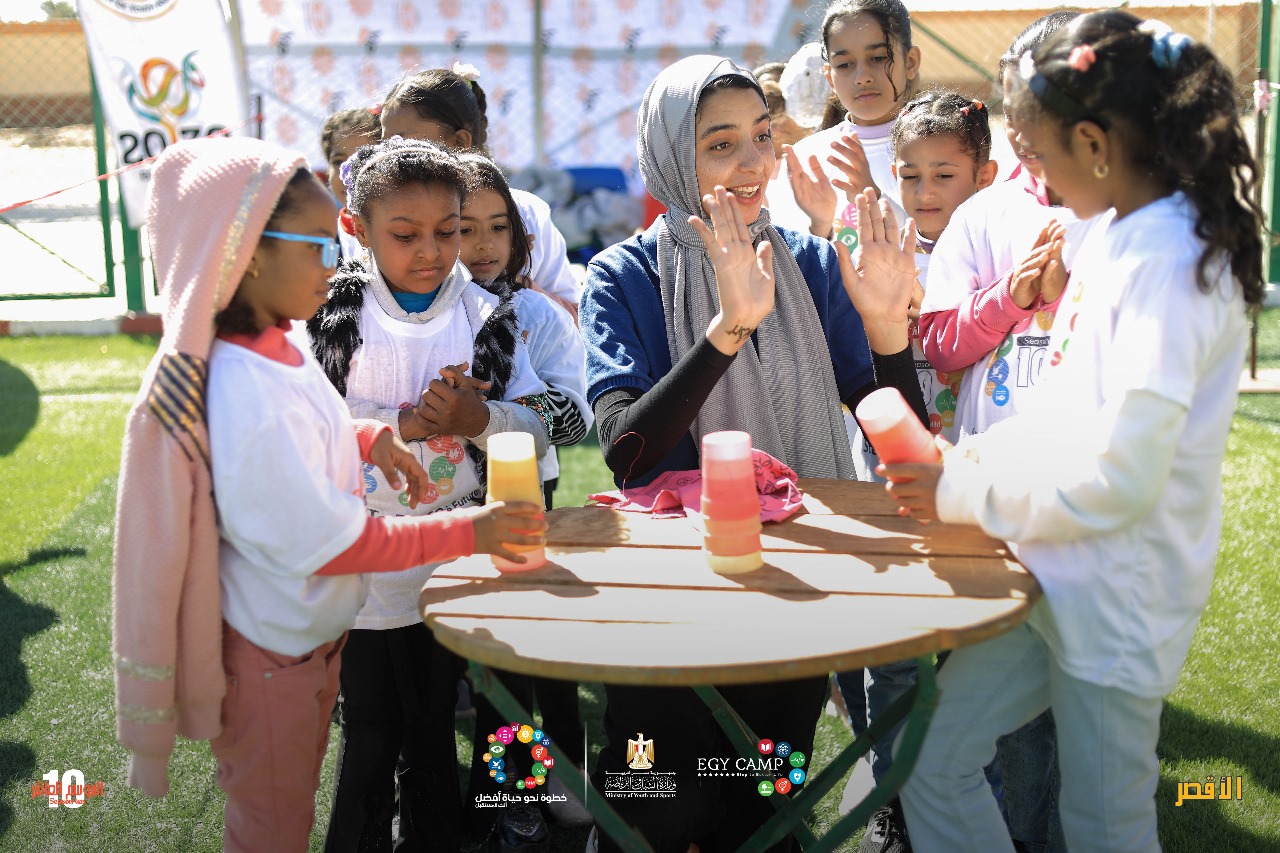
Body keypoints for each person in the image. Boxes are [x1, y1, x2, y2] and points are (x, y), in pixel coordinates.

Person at [883, 11, 1266, 851]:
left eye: (1041, 153)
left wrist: (962, 486)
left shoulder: (1169, 262)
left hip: (1117, 596)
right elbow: (1064, 409)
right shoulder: (1115, 233)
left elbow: (1118, 476)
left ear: (1094, 143)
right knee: (935, 761)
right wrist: (964, 458)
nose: (1034, 174)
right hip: (1054, 569)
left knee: (1102, 824)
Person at [111, 135, 545, 852]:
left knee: (393, 740)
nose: (331, 263)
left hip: (317, 631)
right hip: (282, 645)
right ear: (247, 254)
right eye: (319, 246)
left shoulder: (273, 350)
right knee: (301, 796)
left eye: (448, 231)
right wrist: (474, 528)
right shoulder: (255, 372)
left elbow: (311, 425)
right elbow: (339, 541)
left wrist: (372, 436)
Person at [580, 54, 928, 853]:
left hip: (790, 587)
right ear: (671, 155)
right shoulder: (623, 275)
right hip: (666, 599)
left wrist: (887, 335)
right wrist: (726, 331)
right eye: (720, 144)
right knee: (659, 806)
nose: (752, 163)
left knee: (760, 807)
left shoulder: (809, 264)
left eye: (762, 136)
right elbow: (628, 452)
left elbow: (898, 436)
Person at [308, 136, 552, 852]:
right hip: (359, 560)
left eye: (447, 232)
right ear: (356, 229)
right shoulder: (329, 317)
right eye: (405, 235)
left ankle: (441, 835)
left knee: (432, 722)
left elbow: (537, 428)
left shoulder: (486, 317)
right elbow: (302, 427)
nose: (431, 252)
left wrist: (481, 419)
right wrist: (404, 423)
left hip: (454, 559)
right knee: (370, 728)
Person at [915, 14, 1083, 853]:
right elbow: (940, 344)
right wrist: (1013, 298)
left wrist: (1069, 297)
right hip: (996, 511)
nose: (1028, 123)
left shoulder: (1133, 210)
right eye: (1018, 100)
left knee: (1082, 725)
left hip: (1090, 521)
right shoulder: (985, 215)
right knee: (984, 714)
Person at [839, 88, 1000, 853]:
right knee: (896, 647)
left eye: (944, 175)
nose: (925, 192)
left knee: (974, 649)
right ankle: (892, 796)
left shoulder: (999, 249)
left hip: (971, 475)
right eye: (910, 175)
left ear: (985, 176)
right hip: (892, 477)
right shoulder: (876, 244)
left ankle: (972, 793)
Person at [454, 150, 595, 834]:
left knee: (538, 646)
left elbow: (576, 417)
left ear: (519, 235)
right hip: (443, 511)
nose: (483, 245)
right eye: (465, 229)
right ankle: (501, 789)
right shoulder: (432, 313)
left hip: (521, 506)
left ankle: (559, 774)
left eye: (497, 227)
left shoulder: (538, 314)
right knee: (481, 659)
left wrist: (500, 410)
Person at [378, 64, 581, 321]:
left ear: (460, 142)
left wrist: (514, 281)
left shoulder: (525, 213)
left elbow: (576, 318)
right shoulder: (381, 217)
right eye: (384, 142)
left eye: (498, 228)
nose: (389, 153)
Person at [767, 0, 922, 237]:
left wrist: (875, 200)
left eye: (878, 58)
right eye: (844, 64)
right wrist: (821, 227)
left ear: (910, 62)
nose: (862, 76)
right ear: (829, 76)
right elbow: (786, 252)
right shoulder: (805, 161)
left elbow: (952, 245)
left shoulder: (943, 148)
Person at [321, 106, 381, 262]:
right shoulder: (319, 241)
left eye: (364, 159)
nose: (348, 173)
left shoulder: (404, 236)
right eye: (338, 162)